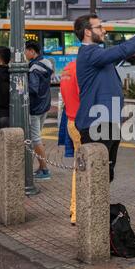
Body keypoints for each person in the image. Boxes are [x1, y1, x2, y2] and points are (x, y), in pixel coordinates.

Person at [74, 13, 135, 182]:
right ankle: (95, 209)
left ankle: (102, 208)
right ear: (87, 32)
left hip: (108, 123)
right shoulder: (89, 53)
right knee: (96, 177)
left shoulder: (97, 54)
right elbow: (123, 50)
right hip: (96, 125)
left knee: (106, 175)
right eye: (99, 27)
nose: (104, 31)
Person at [24, 40, 54, 181]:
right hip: (45, 105)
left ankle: (45, 169)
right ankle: (41, 167)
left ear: (32, 51)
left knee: (36, 139)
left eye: (26, 51)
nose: (24, 54)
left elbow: (33, 89)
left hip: (35, 108)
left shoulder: (34, 68)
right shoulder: (46, 63)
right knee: (37, 138)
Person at [60, 60, 81, 225]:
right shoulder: (82, 69)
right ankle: (77, 210)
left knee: (78, 166)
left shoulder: (68, 67)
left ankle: (75, 209)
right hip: (82, 123)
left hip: (71, 121)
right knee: (82, 168)